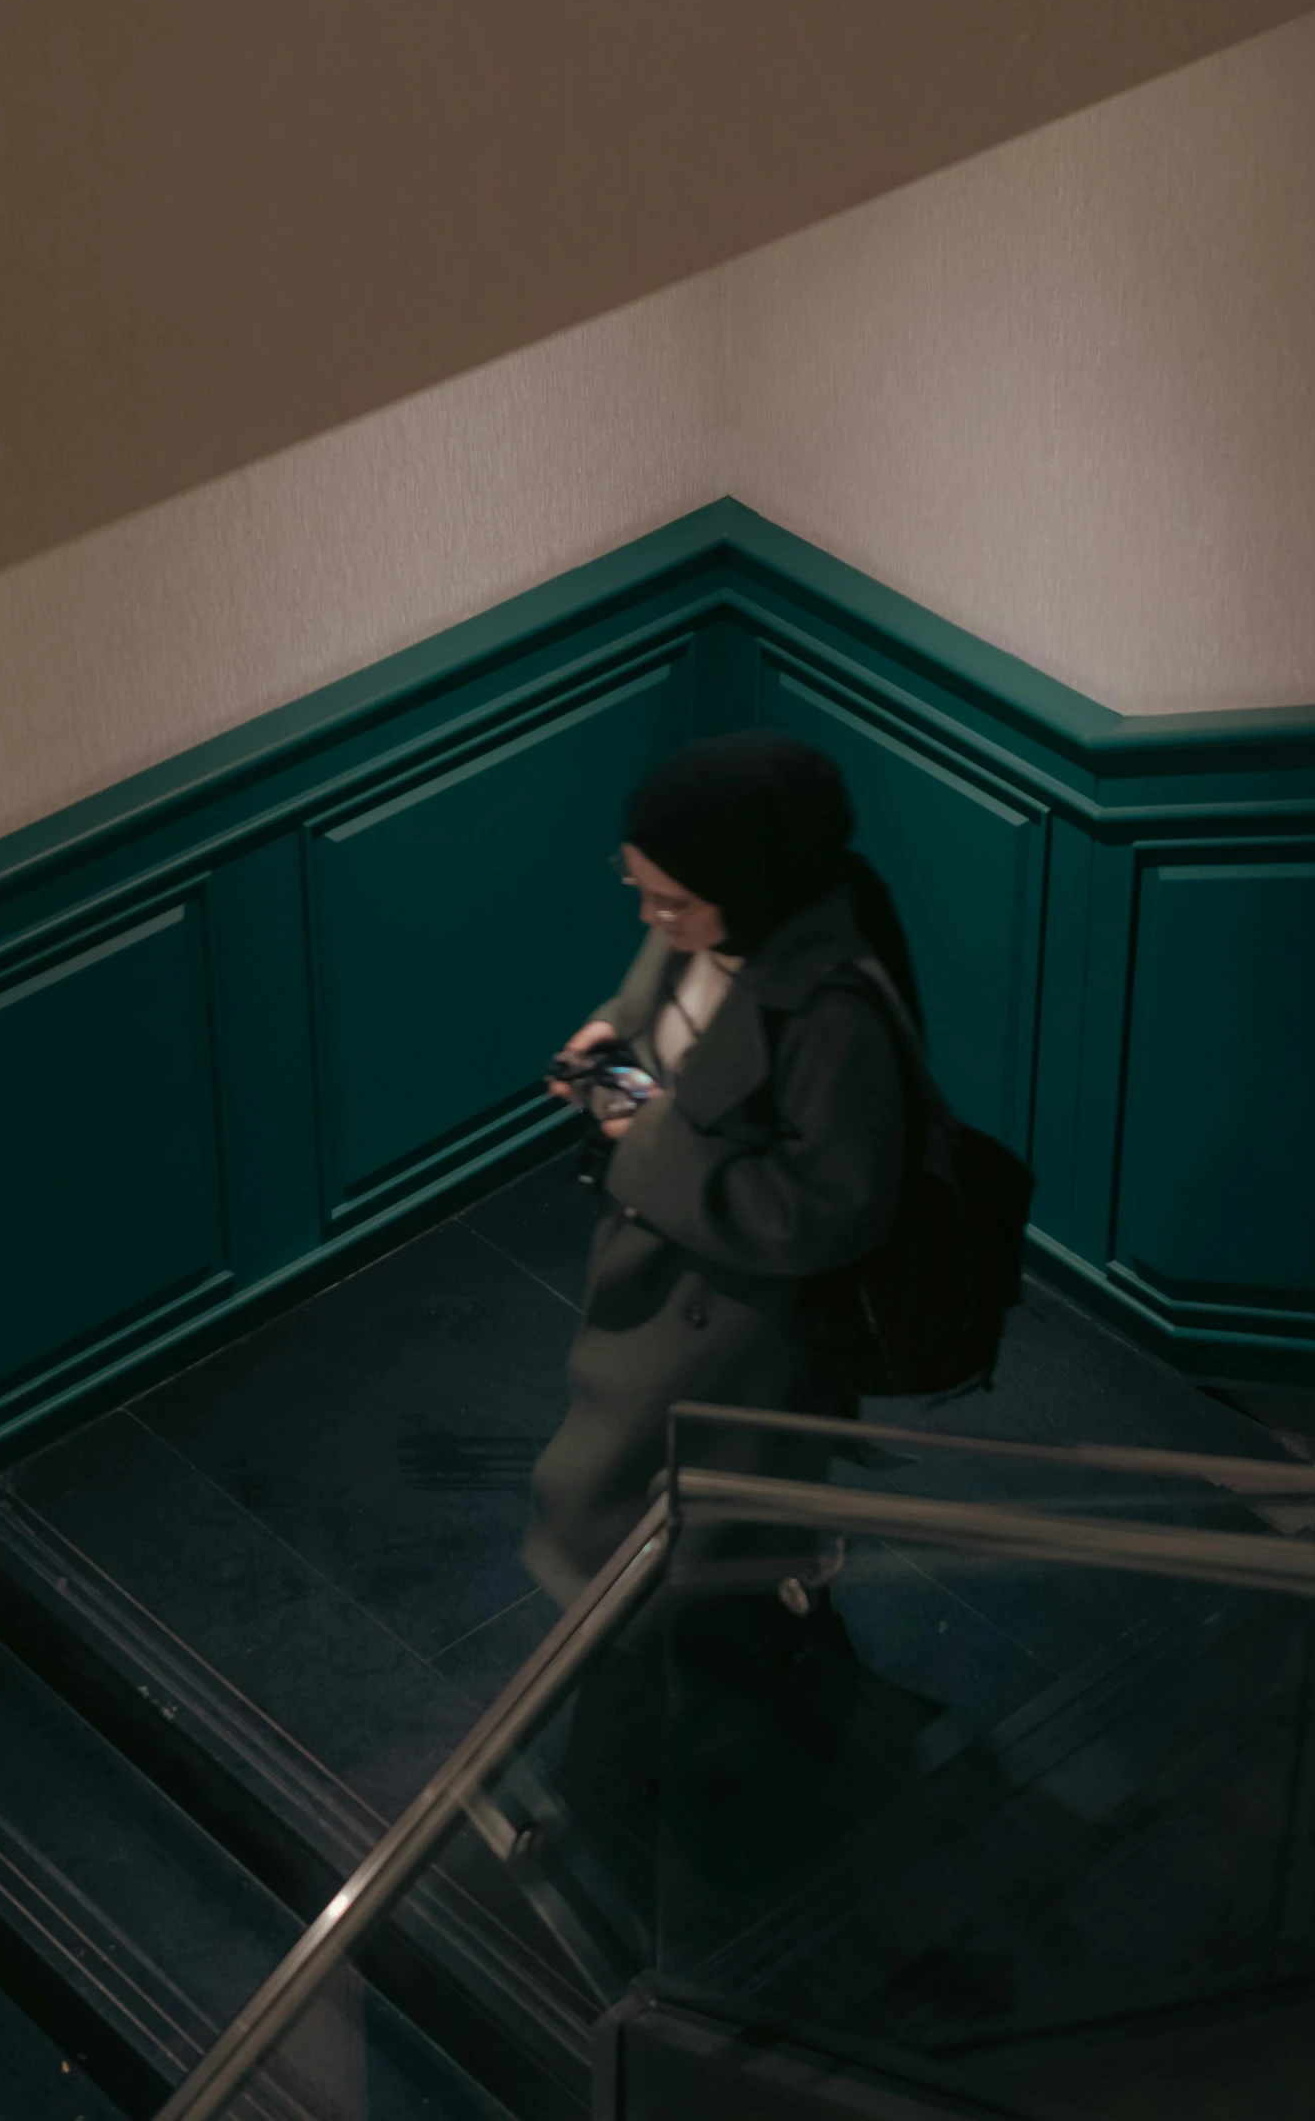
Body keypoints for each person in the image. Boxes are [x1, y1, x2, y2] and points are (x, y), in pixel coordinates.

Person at [522, 732, 926, 1875]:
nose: (649, 916)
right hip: (672, 1284)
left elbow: (826, 1213)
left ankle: (601, 1807)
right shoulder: (718, 924)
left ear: (740, 888)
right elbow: (670, 1005)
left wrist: (642, 1144)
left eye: (669, 899)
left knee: (634, 1555)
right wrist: (615, 1034)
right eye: (635, 889)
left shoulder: (833, 1011)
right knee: (688, 1548)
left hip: (738, 1328)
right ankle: (786, 1643)